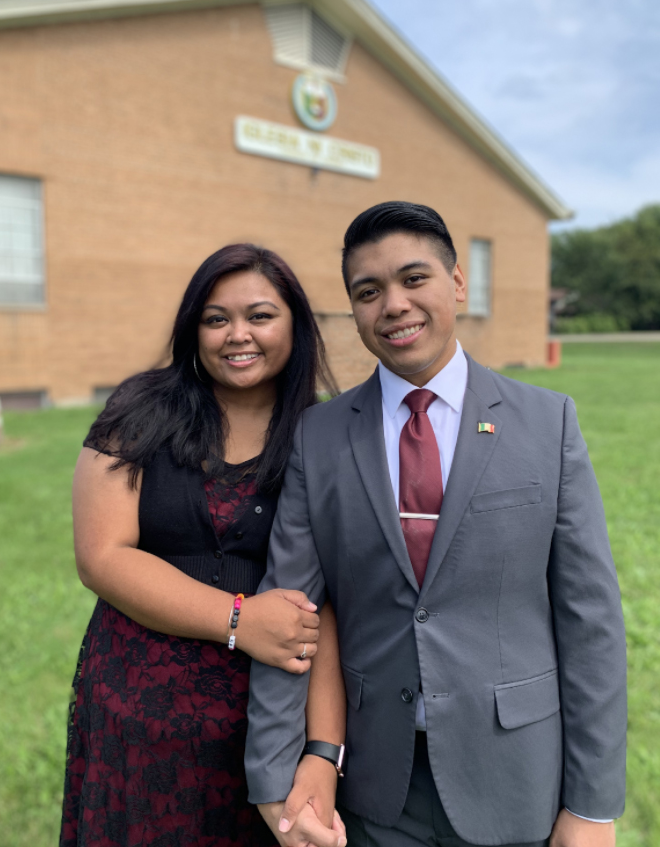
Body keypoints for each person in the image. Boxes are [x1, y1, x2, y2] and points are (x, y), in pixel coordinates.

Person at [246, 202, 627, 847]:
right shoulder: (320, 436)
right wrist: (275, 774)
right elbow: (290, 614)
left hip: (517, 781)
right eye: (368, 292)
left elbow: (591, 622)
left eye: (413, 279)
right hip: (375, 789)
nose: (393, 304)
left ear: (457, 284)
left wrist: (592, 806)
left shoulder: (546, 423)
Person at [59, 243, 347, 847]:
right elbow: (102, 555)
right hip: (137, 716)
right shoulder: (141, 409)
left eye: (260, 315)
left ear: (296, 324)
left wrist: (323, 751)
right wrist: (239, 618)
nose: (237, 335)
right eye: (216, 319)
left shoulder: (322, 434)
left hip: (263, 728)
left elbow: (329, 605)